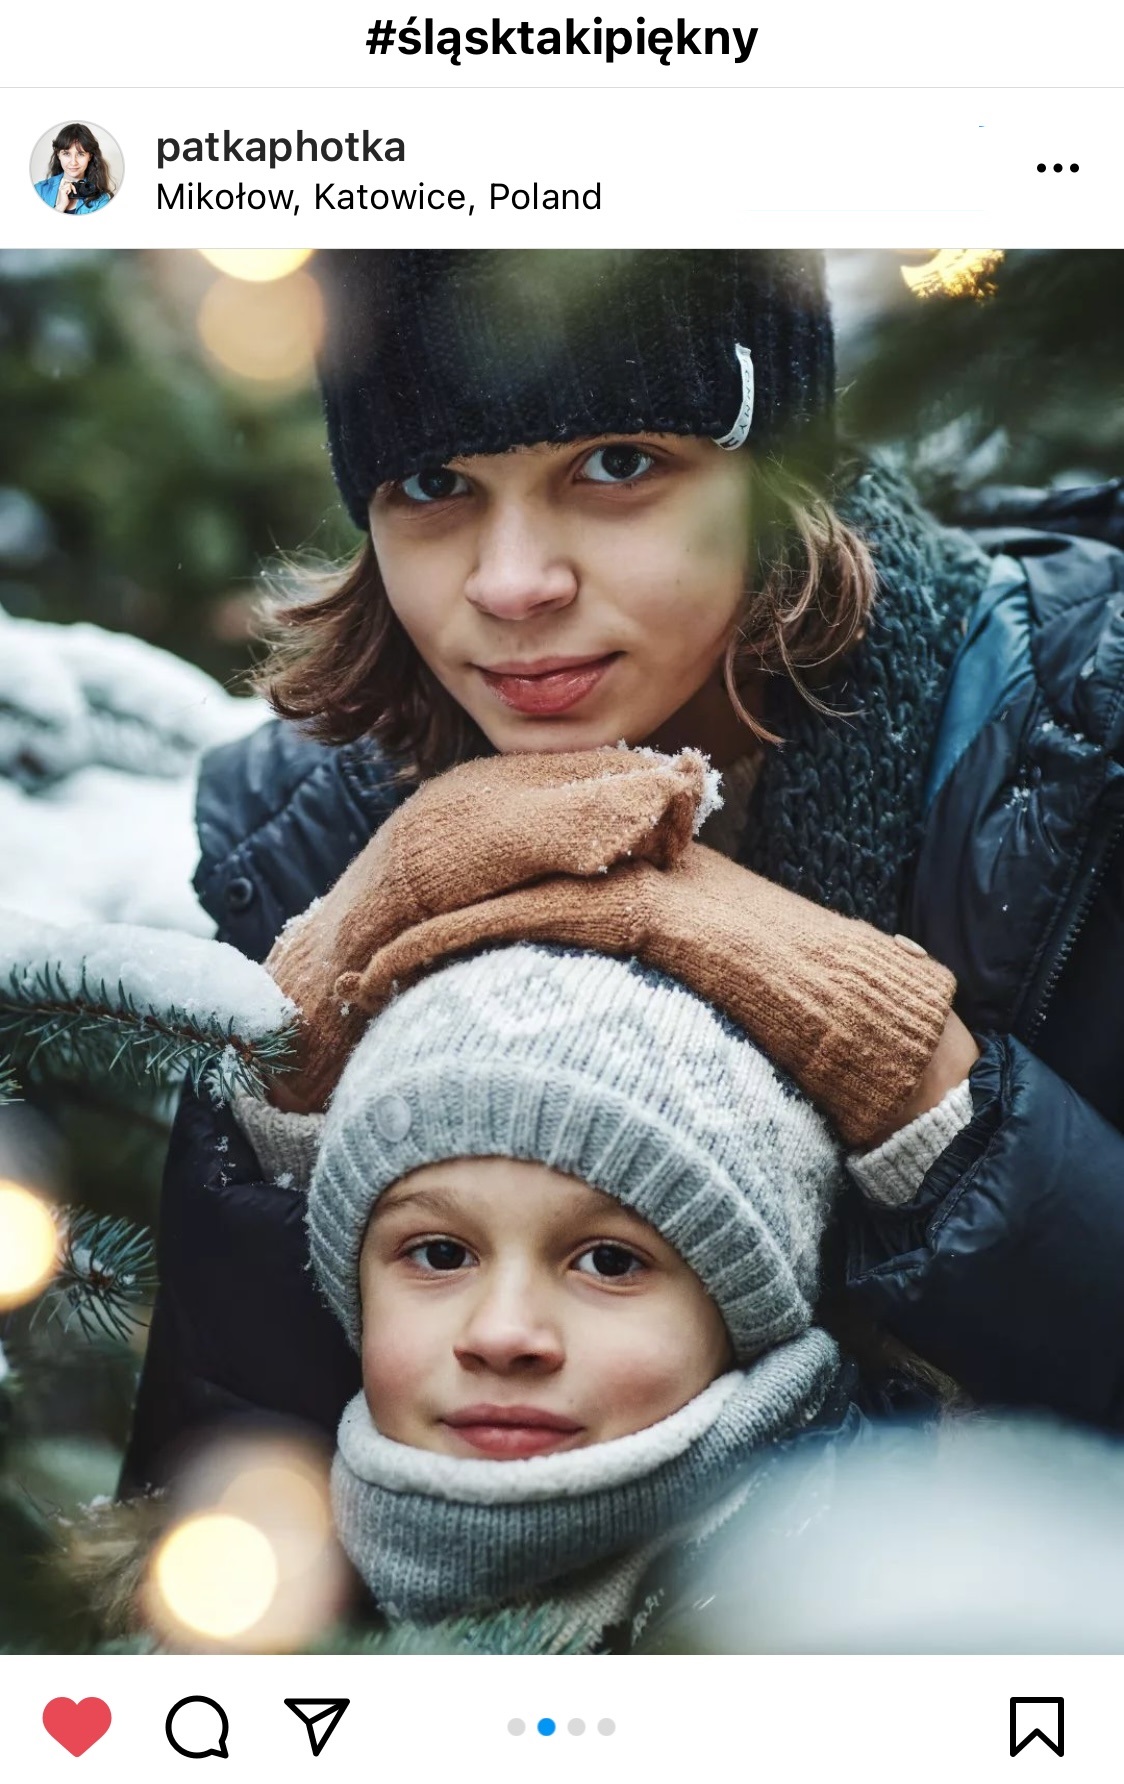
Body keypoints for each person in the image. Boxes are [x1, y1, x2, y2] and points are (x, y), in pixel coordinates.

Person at [123, 250, 1124, 1491]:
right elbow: (220, 1513)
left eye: (617, 465)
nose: (510, 583)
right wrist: (290, 1084)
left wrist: (903, 1068)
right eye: (433, 483)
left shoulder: (1074, 749)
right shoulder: (308, 837)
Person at [228, 743, 921, 1649]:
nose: (504, 1336)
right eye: (438, 1254)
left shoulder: (876, 1621)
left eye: (609, 1261)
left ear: (744, 1312)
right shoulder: (228, 1601)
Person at [34, 123, 114, 214]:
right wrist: (60, 207)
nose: (73, 162)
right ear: (58, 154)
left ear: (90, 156)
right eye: (66, 154)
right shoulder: (39, 191)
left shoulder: (101, 200)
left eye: (80, 154)